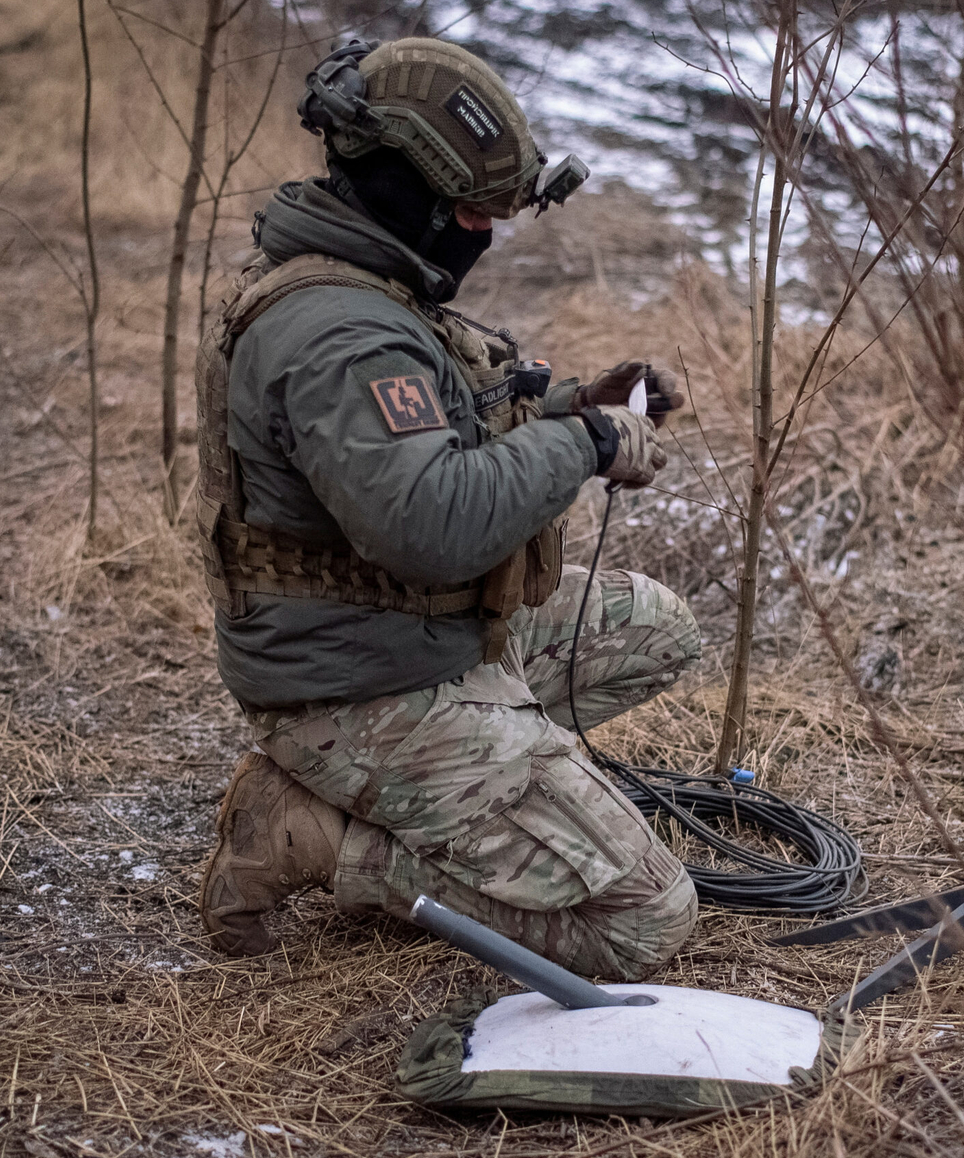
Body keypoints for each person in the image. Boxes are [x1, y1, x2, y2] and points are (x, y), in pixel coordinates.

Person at [192, 37, 701, 981]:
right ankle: (316, 836)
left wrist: (573, 405)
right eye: (469, 212)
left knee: (659, 629)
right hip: (353, 686)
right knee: (645, 919)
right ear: (402, 187)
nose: (483, 235)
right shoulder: (342, 335)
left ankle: (472, 788)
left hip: (413, 637)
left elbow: (438, 430)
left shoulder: (367, 282)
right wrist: (585, 445)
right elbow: (430, 525)